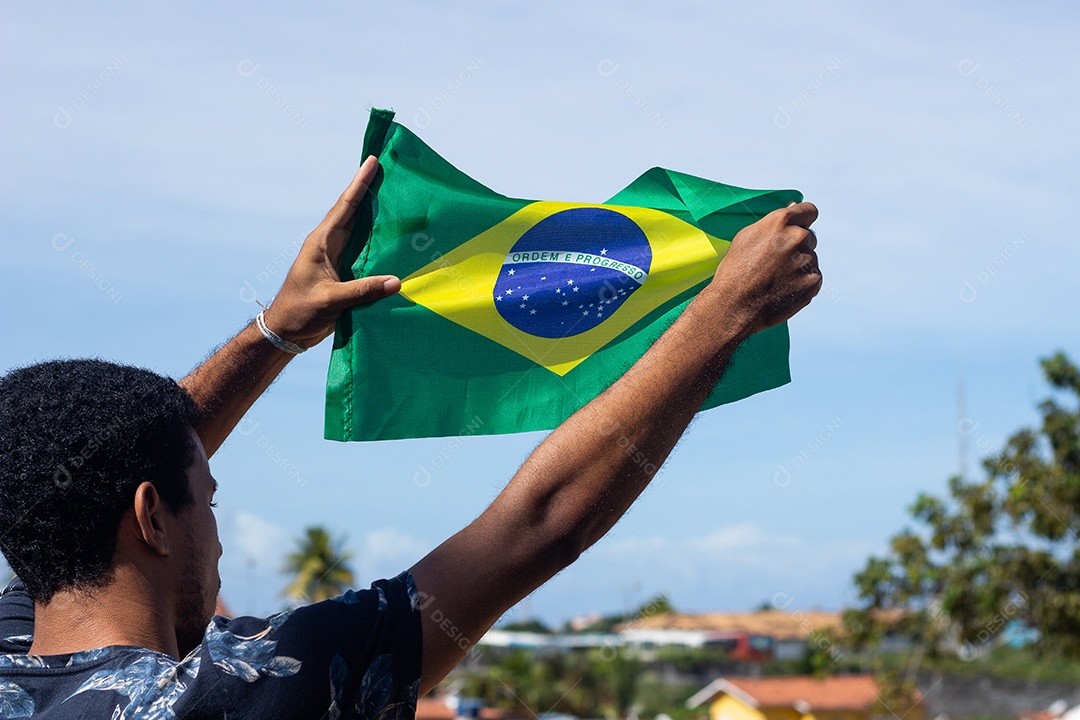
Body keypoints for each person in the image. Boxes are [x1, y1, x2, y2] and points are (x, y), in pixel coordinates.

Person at [0, 155, 820, 718]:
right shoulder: (249, 692)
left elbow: (82, 466)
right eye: (207, 498)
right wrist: (724, 314)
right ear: (149, 518)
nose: (215, 531)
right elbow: (539, 526)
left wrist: (279, 331)